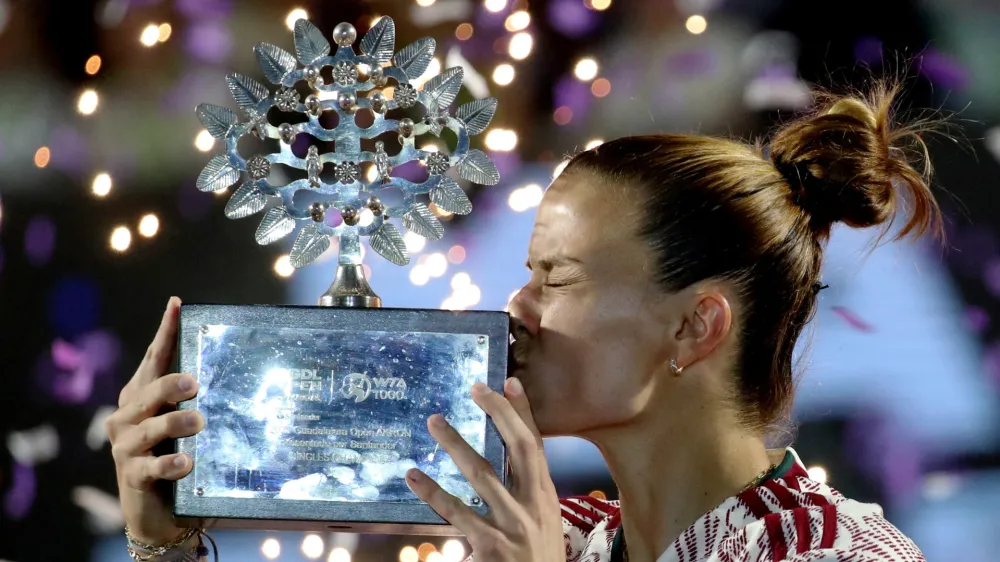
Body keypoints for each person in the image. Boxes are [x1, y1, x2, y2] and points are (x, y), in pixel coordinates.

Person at [108, 80, 938, 561]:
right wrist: (162, 542)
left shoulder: (843, 553)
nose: (517, 308)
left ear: (695, 327)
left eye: (556, 277)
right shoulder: (552, 538)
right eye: (526, 274)